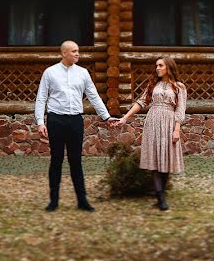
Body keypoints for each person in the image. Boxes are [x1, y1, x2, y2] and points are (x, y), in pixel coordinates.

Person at [35, 40, 116, 212]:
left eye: (78, 51)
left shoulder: (83, 73)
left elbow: (93, 96)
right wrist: (40, 122)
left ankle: (82, 201)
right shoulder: (50, 73)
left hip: (75, 121)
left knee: (76, 161)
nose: (77, 54)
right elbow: (41, 98)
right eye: (73, 51)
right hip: (56, 120)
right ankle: (53, 201)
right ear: (64, 53)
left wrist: (106, 116)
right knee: (56, 160)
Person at [112, 56, 186, 211]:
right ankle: (160, 196)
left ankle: (161, 193)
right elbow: (141, 102)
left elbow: (180, 109)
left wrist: (177, 129)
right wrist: (125, 117)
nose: (157, 68)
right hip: (152, 121)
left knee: (166, 158)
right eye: (156, 65)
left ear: (169, 67)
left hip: (169, 122)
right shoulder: (154, 84)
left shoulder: (179, 87)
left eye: (161, 65)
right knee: (155, 157)